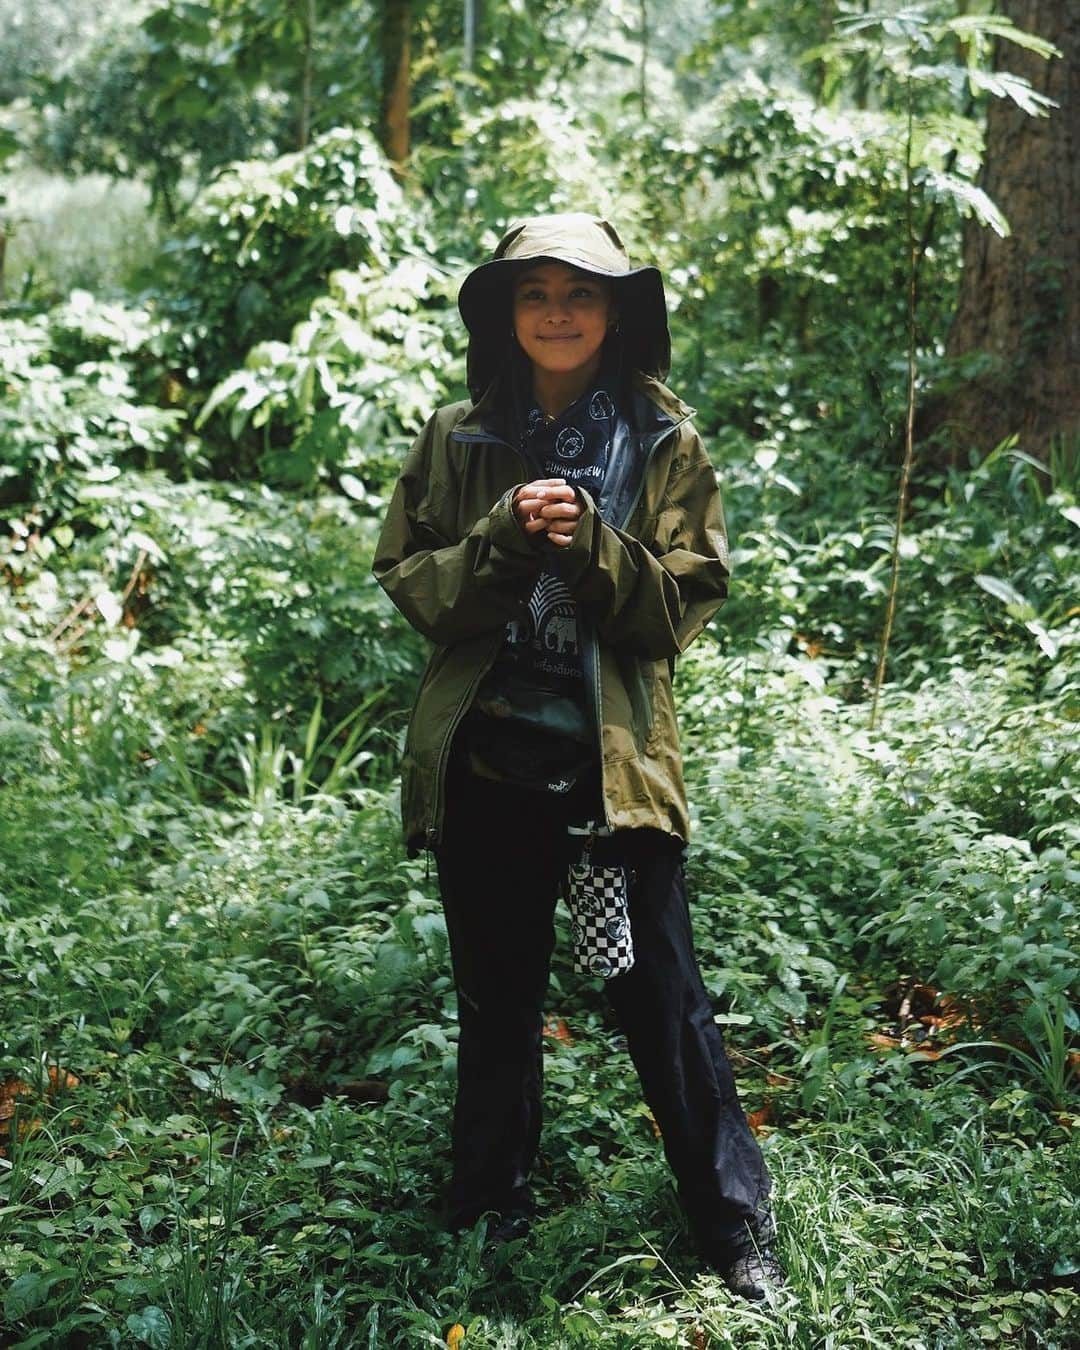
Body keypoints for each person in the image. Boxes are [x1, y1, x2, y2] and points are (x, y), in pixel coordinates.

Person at [372, 213, 783, 1300]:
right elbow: (417, 590)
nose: (557, 312)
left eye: (581, 293)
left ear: (617, 315)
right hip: (487, 768)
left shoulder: (664, 446)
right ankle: (486, 1215)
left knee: (664, 1005)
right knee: (496, 1000)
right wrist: (505, 533)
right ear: (506, 316)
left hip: (609, 780)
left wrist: (593, 541)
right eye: (534, 294)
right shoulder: (458, 437)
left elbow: (668, 615)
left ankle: (734, 1231)